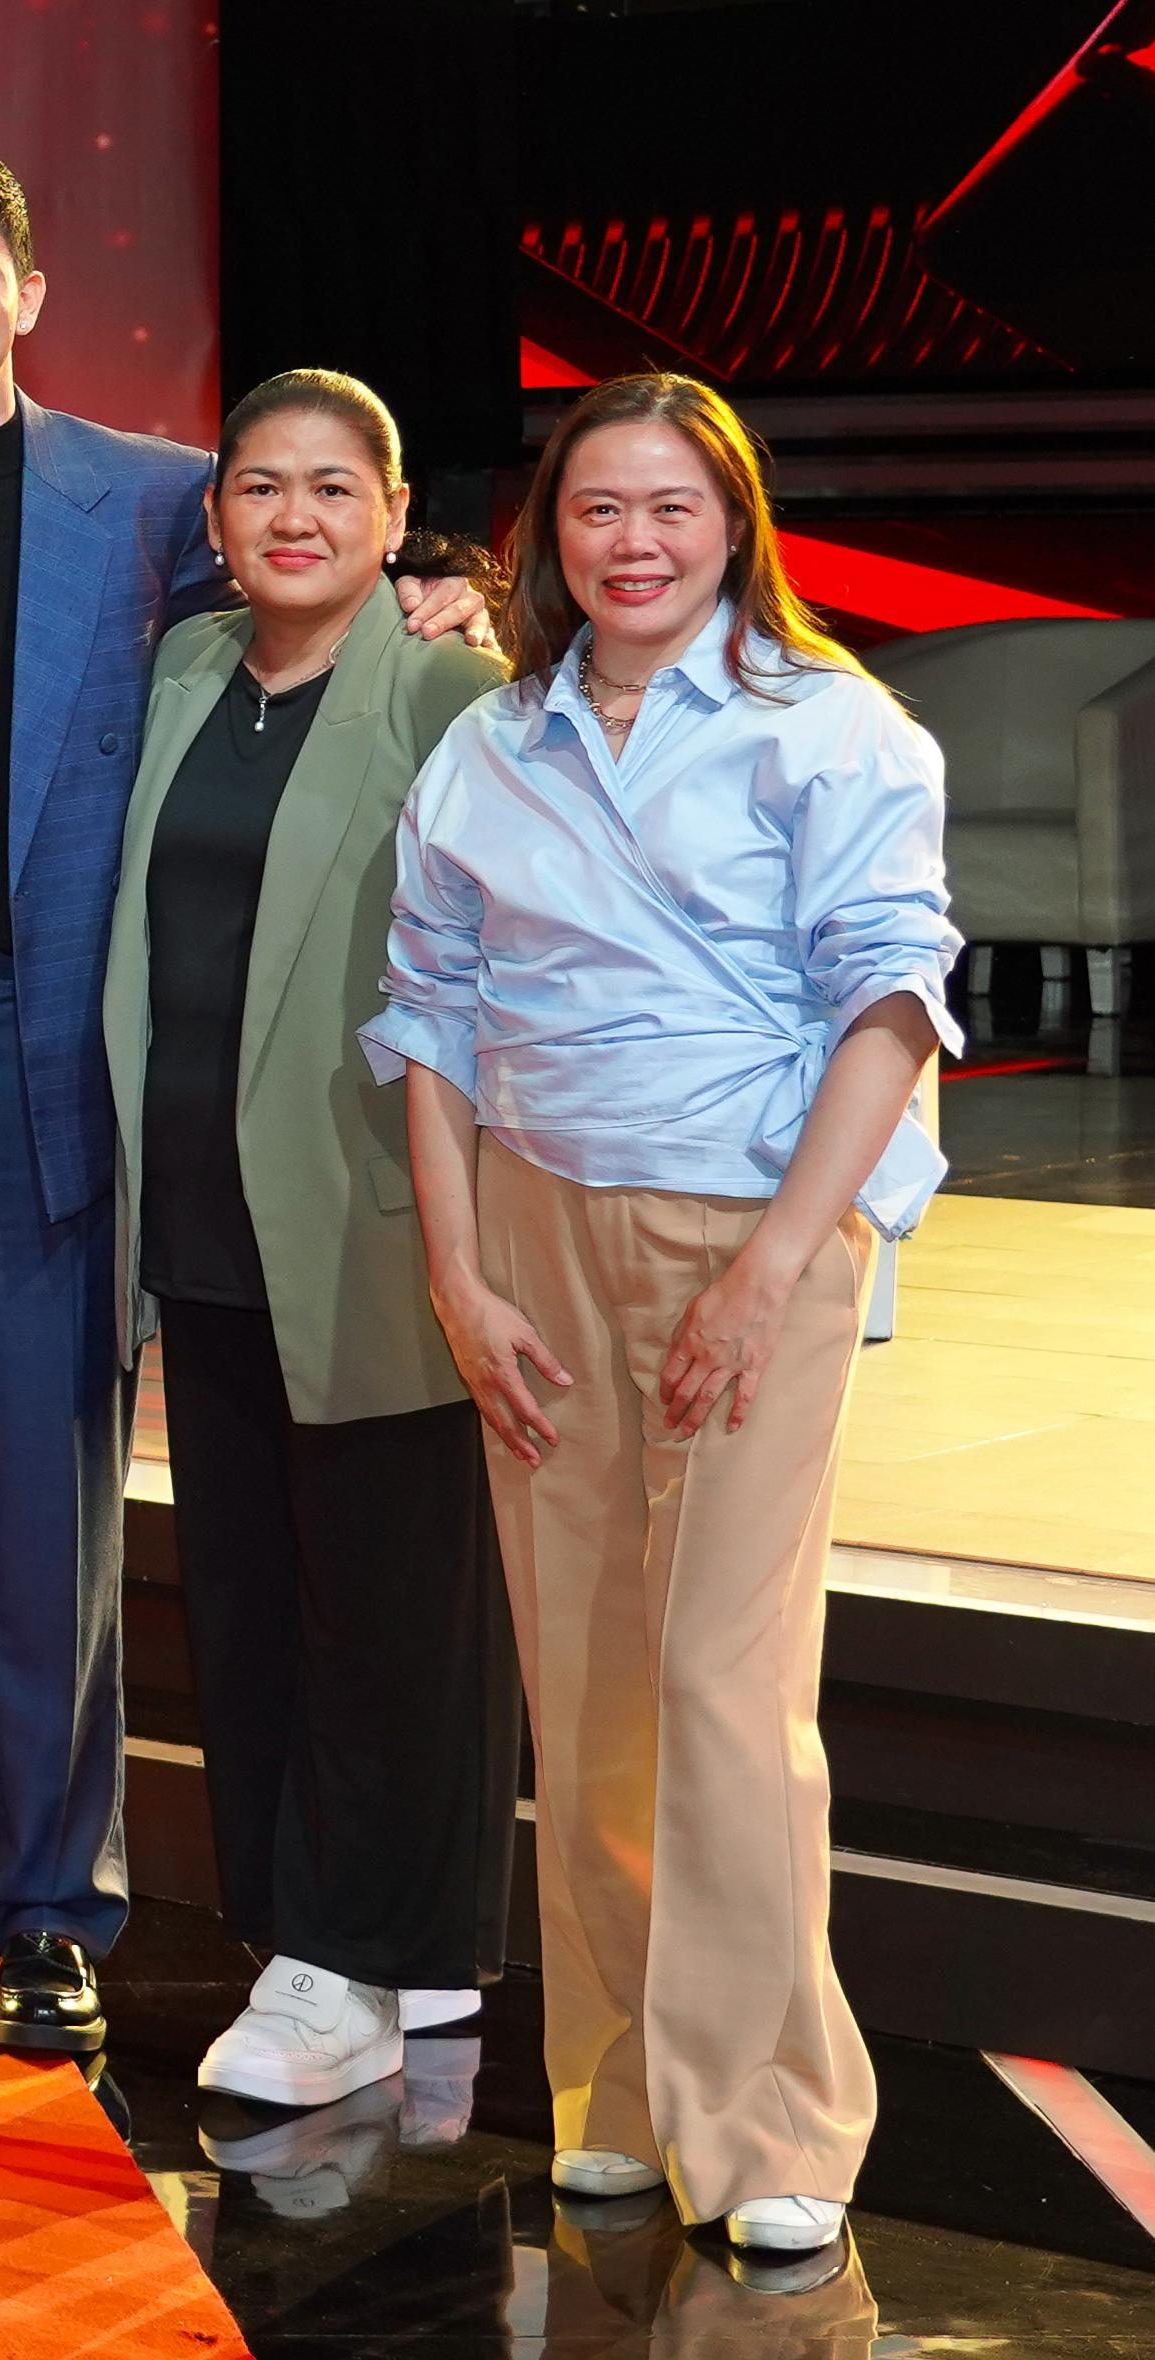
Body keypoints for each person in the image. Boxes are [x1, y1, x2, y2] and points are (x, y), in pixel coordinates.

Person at [0, 144, 486, 2053]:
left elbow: (308, 607)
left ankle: (51, 1906)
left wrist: (441, 600)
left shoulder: (147, 502)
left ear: (27, 293)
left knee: (60, 1521)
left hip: (64, 1069)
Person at [367, 371, 954, 2260]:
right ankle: (612, 2086)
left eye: (669, 508)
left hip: (749, 1229)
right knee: (586, 1680)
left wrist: (774, 1266)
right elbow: (429, 1017)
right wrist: (459, 1277)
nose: (630, 543)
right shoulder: (491, 744)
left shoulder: (828, 727)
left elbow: (890, 1002)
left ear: (733, 527)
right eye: (595, 508)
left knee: (718, 1680)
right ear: (547, 534)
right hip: (530, 1224)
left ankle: (771, 2116)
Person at [95, 373, 516, 2109]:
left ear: (393, 515)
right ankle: (339, 1936)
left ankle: (357, 1956)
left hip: (373, 1213)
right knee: (255, 1596)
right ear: (213, 520)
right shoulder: (181, 674)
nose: (292, 516)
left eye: (332, 487)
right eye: (259, 485)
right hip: (203, 1212)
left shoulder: (446, 689)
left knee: (394, 1603)